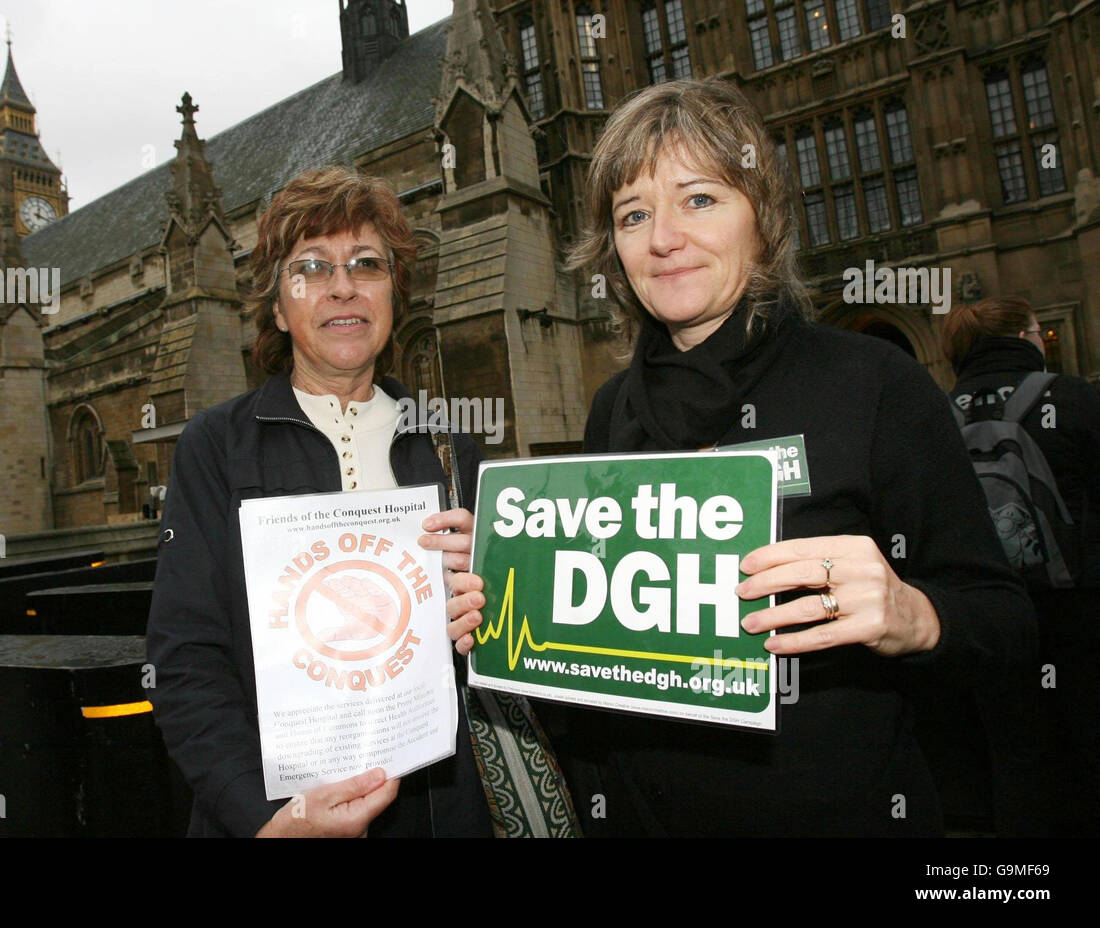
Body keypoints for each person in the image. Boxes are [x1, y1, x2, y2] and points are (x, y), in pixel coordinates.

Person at [446, 78, 1036, 836]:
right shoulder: (611, 412)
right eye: (634, 214)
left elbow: (1006, 628)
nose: (663, 238)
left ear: (763, 216)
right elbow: (602, 661)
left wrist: (914, 617)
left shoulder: (873, 383)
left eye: (699, 199)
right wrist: (508, 604)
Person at [147, 165, 492, 837]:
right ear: (278, 307)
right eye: (311, 267)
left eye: (367, 265)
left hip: (435, 813)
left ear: (394, 294)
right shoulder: (215, 446)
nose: (343, 286)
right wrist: (265, 819)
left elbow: (497, 658)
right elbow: (185, 660)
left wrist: (491, 600)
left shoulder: (449, 447)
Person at [942, 297, 1100, 835]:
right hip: (1077, 610)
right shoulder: (1072, 396)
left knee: (1015, 755)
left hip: (988, 616)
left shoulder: (937, 414)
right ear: (1025, 336)